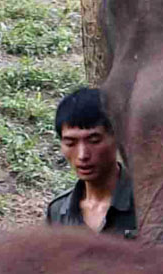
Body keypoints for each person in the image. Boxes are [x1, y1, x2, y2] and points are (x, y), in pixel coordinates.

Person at [45, 87, 137, 235]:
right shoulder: (58, 211)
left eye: (94, 141)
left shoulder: (147, 204)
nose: (82, 155)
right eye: (70, 143)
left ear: (118, 138)